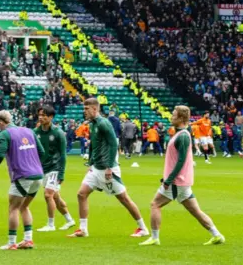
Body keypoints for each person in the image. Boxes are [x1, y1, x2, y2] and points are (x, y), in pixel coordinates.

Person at [139, 106, 225, 246]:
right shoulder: (181, 134)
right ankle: (217, 235)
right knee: (195, 211)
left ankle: (154, 237)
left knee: (155, 204)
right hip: (182, 182)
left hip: (176, 182)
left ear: (181, 118)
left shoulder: (183, 136)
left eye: (173, 115)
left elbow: (181, 161)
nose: (171, 117)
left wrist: (169, 180)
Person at [68, 98, 149, 238]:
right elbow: (94, 144)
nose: (84, 111)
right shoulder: (92, 124)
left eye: (86, 109)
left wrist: (109, 168)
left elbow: (113, 145)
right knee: (81, 194)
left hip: (108, 168)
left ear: (95, 109)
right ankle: (83, 229)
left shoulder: (104, 123)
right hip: (96, 168)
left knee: (123, 198)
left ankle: (143, 228)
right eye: (84, 108)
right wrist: (91, 163)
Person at [0, 110, 45, 250]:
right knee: (24, 206)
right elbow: (42, 152)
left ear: (1, 122)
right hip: (37, 175)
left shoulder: (5, 134)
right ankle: (28, 240)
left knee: (13, 208)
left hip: (22, 175)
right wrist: (34, 165)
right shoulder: (29, 131)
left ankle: (12, 242)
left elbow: (0, 154)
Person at [34, 106, 75, 232]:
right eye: (39, 115)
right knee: (55, 197)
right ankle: (69, 220)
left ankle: (50, 225)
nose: (41, 117)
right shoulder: (36, 132)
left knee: (48, 195)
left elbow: (63, 155)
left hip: (55, 168)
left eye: (44, 115)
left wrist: (61, 174)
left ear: (51, 117)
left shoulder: (58, 133)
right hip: (43, 169)